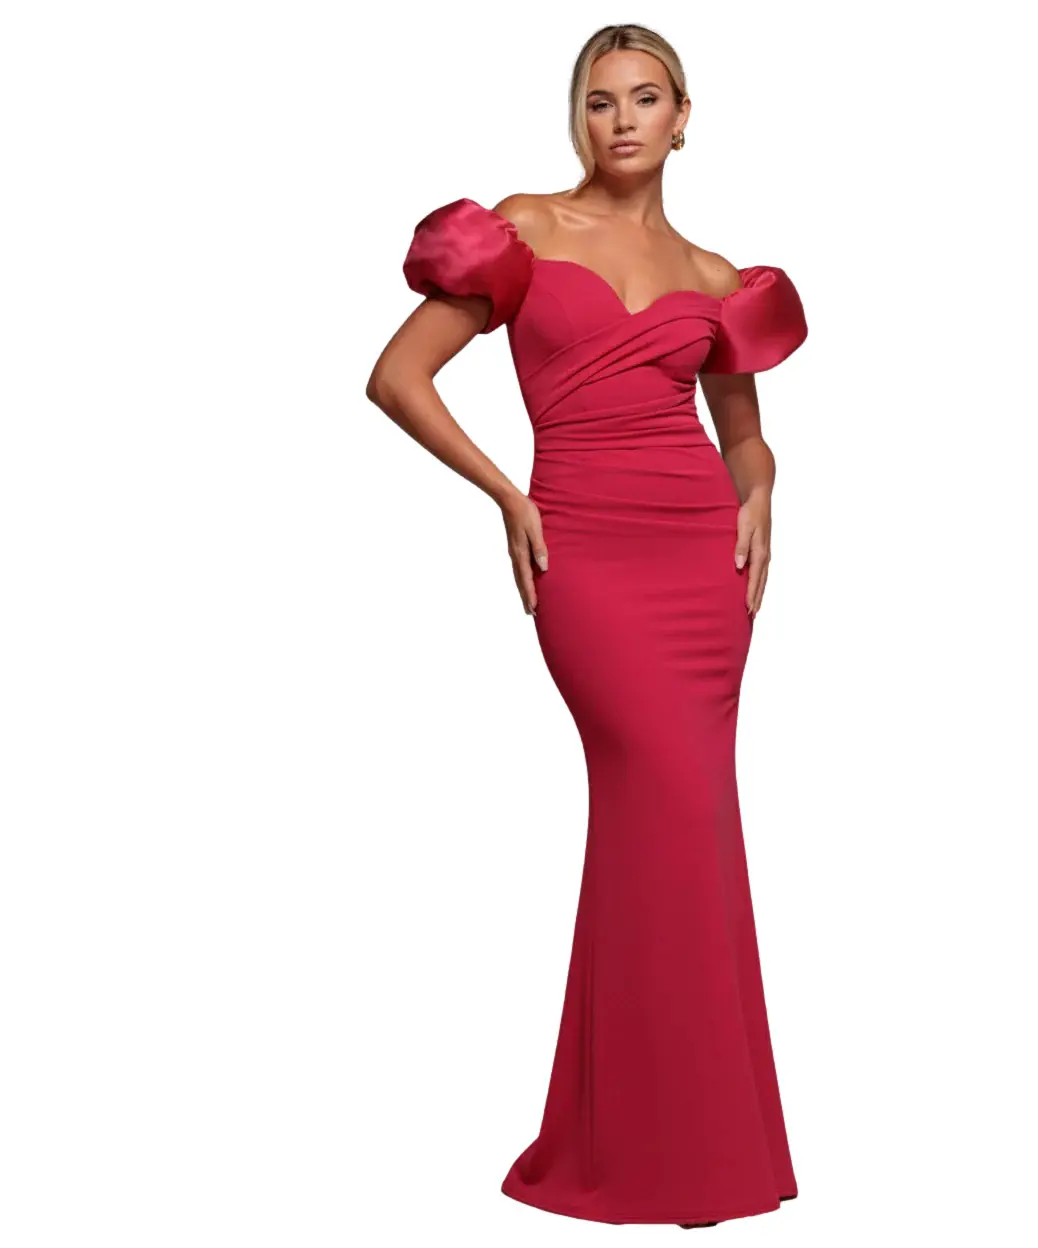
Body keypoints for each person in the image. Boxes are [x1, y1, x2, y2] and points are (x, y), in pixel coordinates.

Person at [365, 23, 807, 1230]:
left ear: (683, 117)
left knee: (682, 827)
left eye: (645, 99)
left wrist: (761, 489)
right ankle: (671, 1150)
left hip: (700, 563)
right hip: (588, 558)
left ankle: (684, 1145)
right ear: (579, 116)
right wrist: (506, 494)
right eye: (601, 101)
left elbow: (743, 431)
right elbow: (397, 377)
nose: (622, 121)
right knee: (664, 806)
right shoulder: (524, 231)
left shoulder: (716, 277)